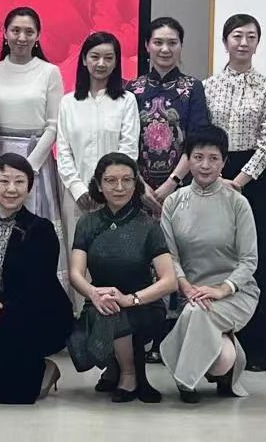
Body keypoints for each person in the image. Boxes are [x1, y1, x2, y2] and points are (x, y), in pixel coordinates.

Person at [204, 14, 266, 372]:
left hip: (255, 179)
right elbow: (202, 136)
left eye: (251, 37)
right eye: (237, 36)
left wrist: (238, 180)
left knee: (259, 258)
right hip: (214, 173)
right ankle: (216, 339)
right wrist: (215, 174)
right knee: (216, 254)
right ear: (225, 41)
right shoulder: (208, 87)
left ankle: (259, 345)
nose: (243, 43)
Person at [0, 153, 72, 405]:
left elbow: (39, 283)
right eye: (4, 181)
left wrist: (2, 307)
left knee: (13, 396)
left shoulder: (40, 229)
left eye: (19, 182)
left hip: (37, 313)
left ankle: (46, 369)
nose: (11, 189)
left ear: (29, 187)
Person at [159, 126, 259, 403]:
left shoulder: (238, 203)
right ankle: (231, 359)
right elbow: (170, 257)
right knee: (221, 354)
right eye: (198, 157)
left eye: (214, 158)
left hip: (236, 293)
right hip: (192, 293)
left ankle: (184, 380)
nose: (205, 165)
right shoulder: (173, 203)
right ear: (188, 159)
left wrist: (222, 289)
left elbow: (249, 260)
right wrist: (186, 287)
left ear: (224, 162)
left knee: (198, 315)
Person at [66, 153, 177, 403]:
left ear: (136, 184)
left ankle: (129, 374)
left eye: (127, 180)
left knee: (116, 311)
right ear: (98, 184)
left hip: (143, 304)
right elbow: (75, 273)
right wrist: (93, 293)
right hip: (99, 301)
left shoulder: (148, 225)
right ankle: (117, 366)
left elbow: (169, 280)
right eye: (111, 180)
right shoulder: (87, 223)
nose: (119, 187)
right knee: (107, 309)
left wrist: (130, 299)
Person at [0, 7, 68, 290]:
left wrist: (27, 168)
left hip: (35, 160)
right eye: (15, 30)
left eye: (29, 31)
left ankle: (38, 291)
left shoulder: (49, 72)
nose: (21, 37)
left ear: (38, 36)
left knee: (34, 231)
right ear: (5, 33)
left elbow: (53, 126)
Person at [56, 31, 140, 287]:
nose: (101, 63)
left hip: (116, 193)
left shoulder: (126, 101)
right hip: (76, 195)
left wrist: (108, 188)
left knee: (114, 257)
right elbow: (63, 151)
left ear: (116, 62)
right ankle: (80, 308)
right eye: (95, 57)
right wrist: (79, 188)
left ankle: (114, 308)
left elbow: (128, 150)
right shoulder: (69, 102)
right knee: (77, 257)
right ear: (84, 60)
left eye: (108, 58)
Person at [127, 16, 210, 208]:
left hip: (182, 186)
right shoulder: (133, 89)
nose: (165, 49)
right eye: (158, 42)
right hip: (139, 190)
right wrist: (140, 184)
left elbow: (197, 140)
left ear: (181, 46)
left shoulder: (193, 87)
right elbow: (126, 142)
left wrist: (172, 182)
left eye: (172, 43)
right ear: (147, 45)